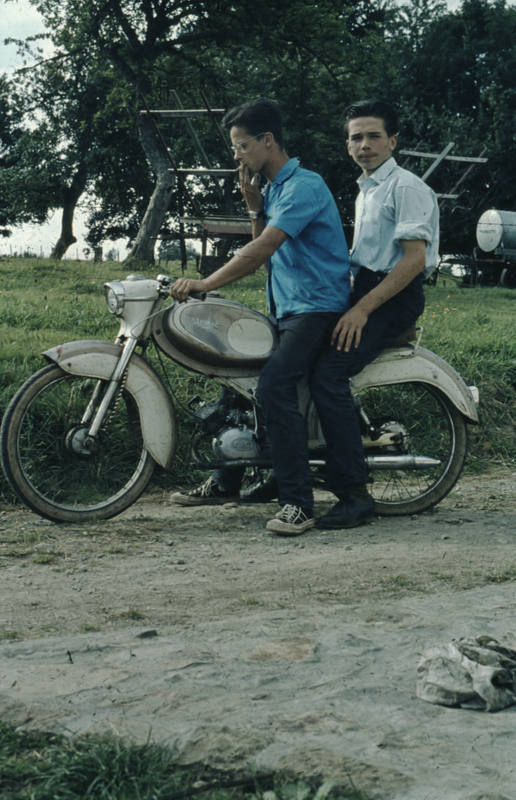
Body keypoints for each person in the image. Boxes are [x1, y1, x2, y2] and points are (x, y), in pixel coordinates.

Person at [170, 97, 355, 535]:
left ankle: (299, 503)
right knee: (239, 374)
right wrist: (254, 206)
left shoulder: (304, 185)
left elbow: (261, 250)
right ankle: (225, 481)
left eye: (240, 146)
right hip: (289, 308)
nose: (235, 155)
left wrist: (205, 284)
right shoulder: (274, 189)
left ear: (267, 140)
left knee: (273, 386)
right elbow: (267, 244)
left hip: (317, 308)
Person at [313, 98, 440, 528]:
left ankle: (354, 494)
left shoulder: (405, 187)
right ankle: (283, 469)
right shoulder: (367, 188)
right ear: (347, 144)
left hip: (393, 297)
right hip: (366, 289)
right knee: (291, 344)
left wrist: (361, 310)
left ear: (393, 141)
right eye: (355, 137)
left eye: (373, 136)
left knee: (329, 375)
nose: (364, 144)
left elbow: (412, 261)